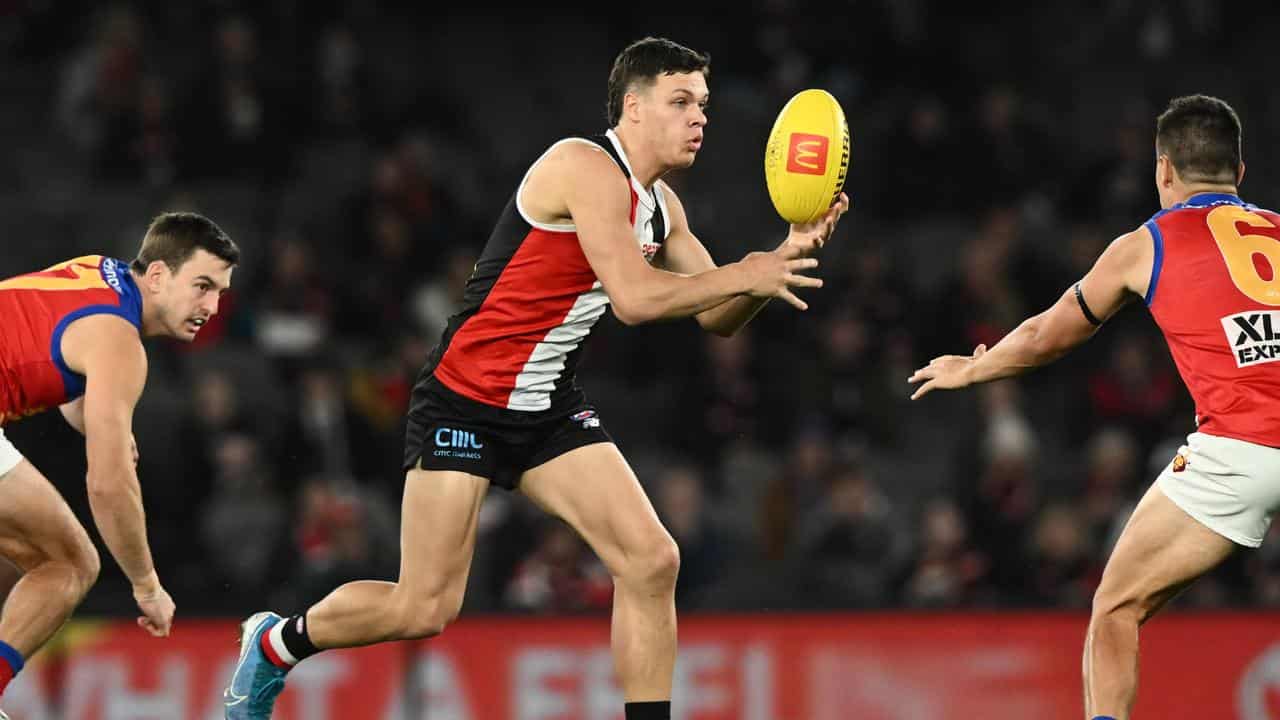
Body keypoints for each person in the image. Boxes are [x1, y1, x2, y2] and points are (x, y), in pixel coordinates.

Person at [224, 36, 848, 720]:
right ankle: (277, 642)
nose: (699, 117)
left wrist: (783, 256)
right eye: (680, 101)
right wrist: (748, 269)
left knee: (651, 560)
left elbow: (718, 316)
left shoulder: (665, 207)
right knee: (423, 606)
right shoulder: (580, 165)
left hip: (547, 407)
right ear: (633, 109)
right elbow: (638, 298)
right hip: (464, 400)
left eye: (702, 103)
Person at [908, 94, 1278, 720]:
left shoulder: (1144, 245)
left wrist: (973, 367)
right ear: (1239, 173)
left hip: (1239, 453)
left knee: (1115, 607)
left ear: (1163, 171)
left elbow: (1046, 336)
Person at [0, 212, 238, 716]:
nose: (212, 306)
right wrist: (146, 584)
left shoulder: (98, 272)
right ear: (157, 276)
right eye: (201, 286)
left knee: (22, 560)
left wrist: (103, 422)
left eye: (219, 292)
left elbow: (54, 364)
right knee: (68, 563)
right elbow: (108, 485)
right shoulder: (122, 345)